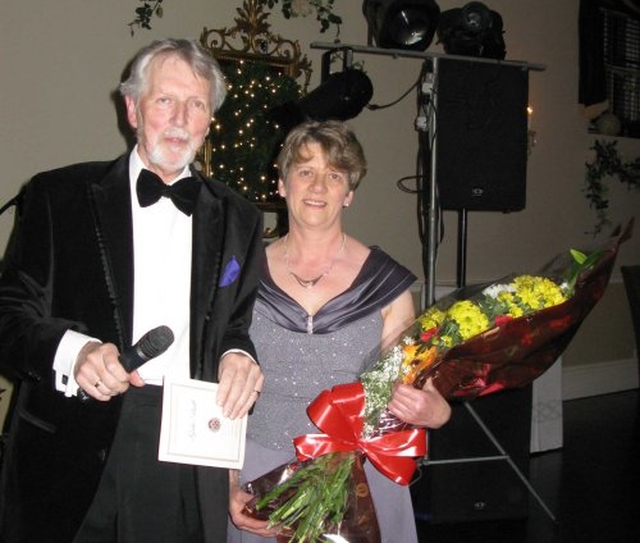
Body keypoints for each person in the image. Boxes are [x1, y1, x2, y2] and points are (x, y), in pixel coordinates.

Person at [0, 38, 265, 543]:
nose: (181, 119)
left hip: (184, 446)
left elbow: (235, 325)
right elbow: (9, 314)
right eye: (165, 100)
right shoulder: (58, 196)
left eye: (196, 105)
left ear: (209, 120)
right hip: (72, 441)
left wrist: (237, 354)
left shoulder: (239, 218)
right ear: (132, 109)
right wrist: (74, 353)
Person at [227, 120, 451, 543]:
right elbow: (215, 388)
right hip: (259, 476)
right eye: (305, 170)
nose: (317, 186)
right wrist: (227, 483)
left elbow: (418, 385)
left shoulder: (386, 283)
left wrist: (436, 411)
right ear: (281, 183)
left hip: (359, 479)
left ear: (348, 193)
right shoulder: (240, 274)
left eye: (334, 175)